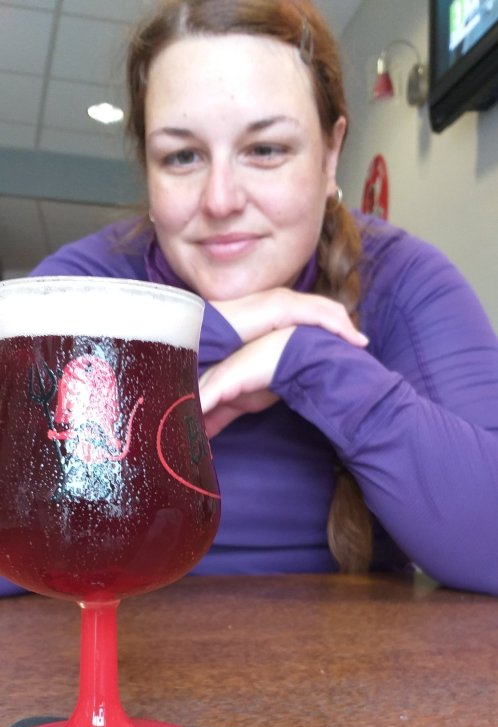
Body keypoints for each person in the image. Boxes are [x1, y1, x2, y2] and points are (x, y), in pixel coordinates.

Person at [11, 0, 498, 597]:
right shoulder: (79, 291)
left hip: (354, 655)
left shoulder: (401, 280)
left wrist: (308, 360)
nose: (220, 200)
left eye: (265, 149)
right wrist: (210, 332)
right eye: (182, 156)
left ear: (330, 154)